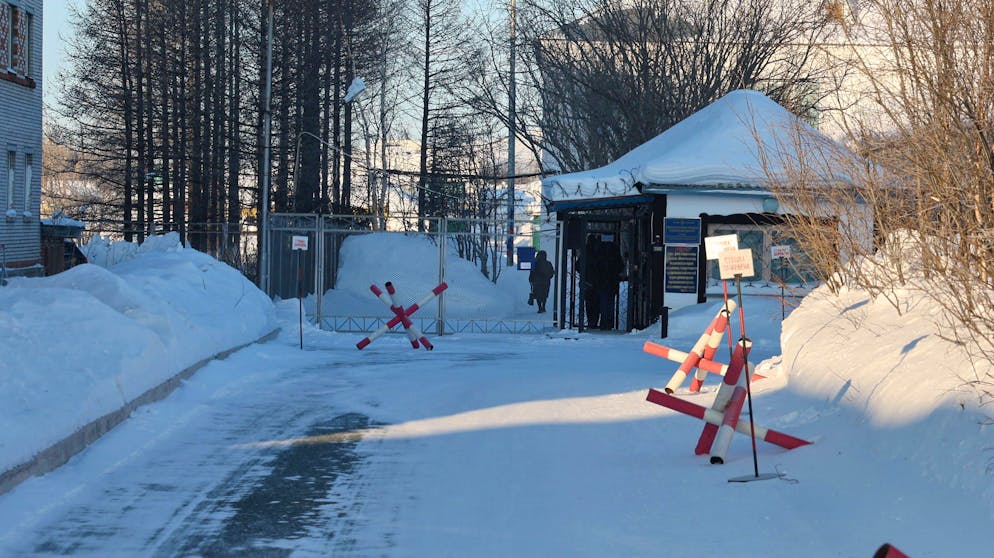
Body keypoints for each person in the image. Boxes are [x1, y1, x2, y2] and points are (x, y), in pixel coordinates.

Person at [595, 240, 625, 330]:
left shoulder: (599, 256)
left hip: (601, 282)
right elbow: (620, 267)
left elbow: (595, 268)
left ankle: (603, 322)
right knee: (610, 303)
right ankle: (609, 323)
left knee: (603, 303)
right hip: (612, 282)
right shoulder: (615, 256)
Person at [578, 235, 601, 328]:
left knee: (589, 303)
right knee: (597, 303)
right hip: (599, 282)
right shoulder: (599, 251)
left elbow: (577, 265)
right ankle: (595, 321)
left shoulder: (585, 252)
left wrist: (584, 274)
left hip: (587, 282)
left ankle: (590, 322)